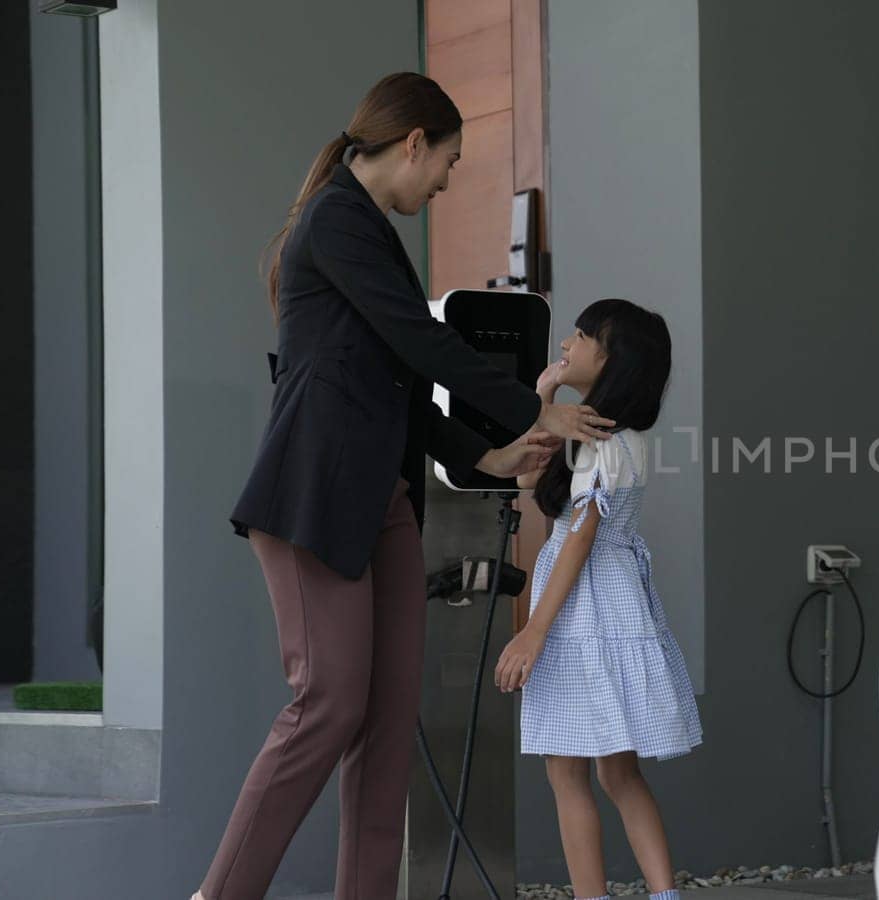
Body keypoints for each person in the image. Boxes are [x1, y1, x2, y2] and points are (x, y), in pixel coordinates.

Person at [195, 72, 613, 900]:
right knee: (328, 705)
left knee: (386, 730)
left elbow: (389, 378)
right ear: (414, 141)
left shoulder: (372, 230)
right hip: (314, 497)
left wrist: (484, 456)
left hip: (383, 501)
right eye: (450, 161)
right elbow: (419, 341)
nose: (450, 179)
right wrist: (534, 408)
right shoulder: (336, 221)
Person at [495, 299, 702, 900]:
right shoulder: (609, 434)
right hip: (610, 599)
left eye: (582, 337)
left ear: (612, 361)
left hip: (582, 604)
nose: (568, 343)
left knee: (569, 771)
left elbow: (580, 538)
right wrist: (544, 399)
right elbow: (528, 479)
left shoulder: (607, 444)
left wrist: (533, 631)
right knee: (617, 770)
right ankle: (664, 896)